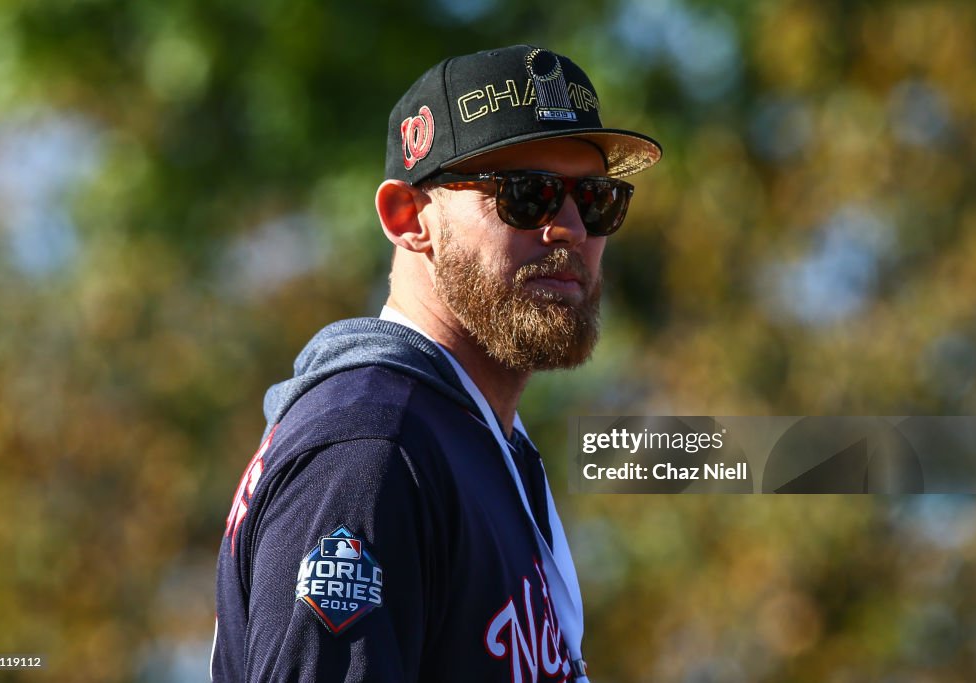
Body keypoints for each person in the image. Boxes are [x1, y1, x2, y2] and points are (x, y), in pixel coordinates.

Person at [213, 44, 661, 682]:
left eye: (595, 201)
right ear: (408, 217)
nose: (570, 229)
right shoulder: (372, 448)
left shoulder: (472, 442)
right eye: (526, 195)